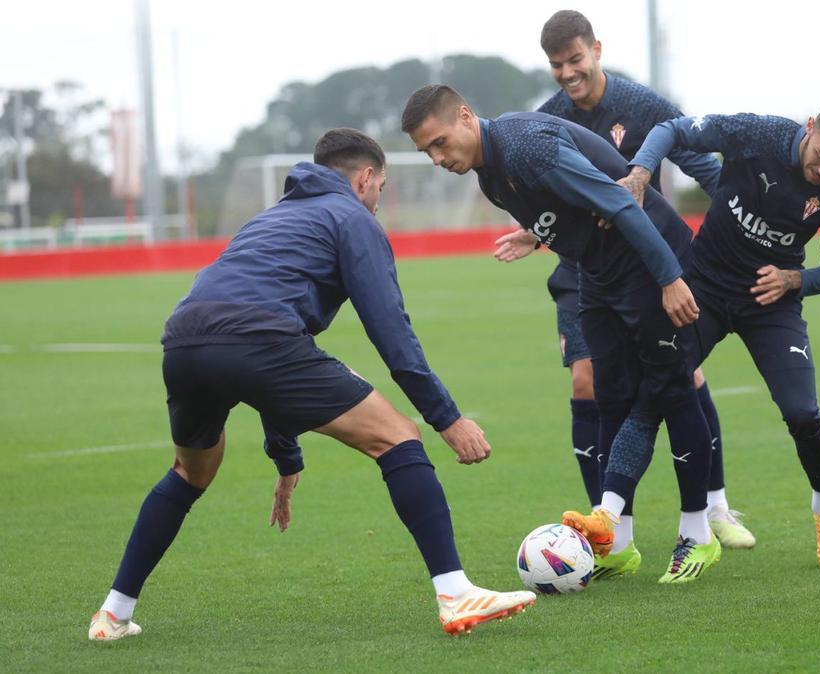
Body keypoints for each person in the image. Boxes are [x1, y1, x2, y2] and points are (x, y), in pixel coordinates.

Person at [87, 128, 535, 641]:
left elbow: (266, 368)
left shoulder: (269, 219)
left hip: (184, 340)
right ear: (365, 178)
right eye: (382, 190)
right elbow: (390, 333)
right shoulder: (352, 218)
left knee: (190, 474)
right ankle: (456, 594)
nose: (378, 202)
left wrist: (286, 458)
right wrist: (447, 420)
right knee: (399, 437)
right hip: (258, 339)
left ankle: (113, 613)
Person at [402, 85, 722, 584]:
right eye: (427, 152)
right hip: (597, 274)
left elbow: (618, 202)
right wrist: (537, 234)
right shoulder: (490, 172)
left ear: (466, 115)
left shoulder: (526, 146)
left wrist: (669, 278)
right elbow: (568, 206)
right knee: (609, 395)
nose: (438, 158)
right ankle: (617, 543)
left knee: (672, 388)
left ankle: (697, 534)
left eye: (440, 143)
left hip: (647, 260)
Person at [508, 9, 755, 559]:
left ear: (596, 49)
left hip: (650, 262)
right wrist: (533, 232)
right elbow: (549, 198)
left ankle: (714, 507)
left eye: (575, 60)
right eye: (557, 65)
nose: (568, 73)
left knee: (684, 376)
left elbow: (702, 164)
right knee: (586, 384)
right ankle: (609, 533)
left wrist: (740, 225)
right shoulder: (548, 119)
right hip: (581, 272)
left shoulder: (643, 105)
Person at [614, 98, 820, 569]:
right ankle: (608, 521)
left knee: (802, 412)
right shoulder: (758, 134)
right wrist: (641, 171)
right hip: (705, 289)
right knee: (655, 392)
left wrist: (795, 280)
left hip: (770, 305)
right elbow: (671, 129)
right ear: (810, 126)